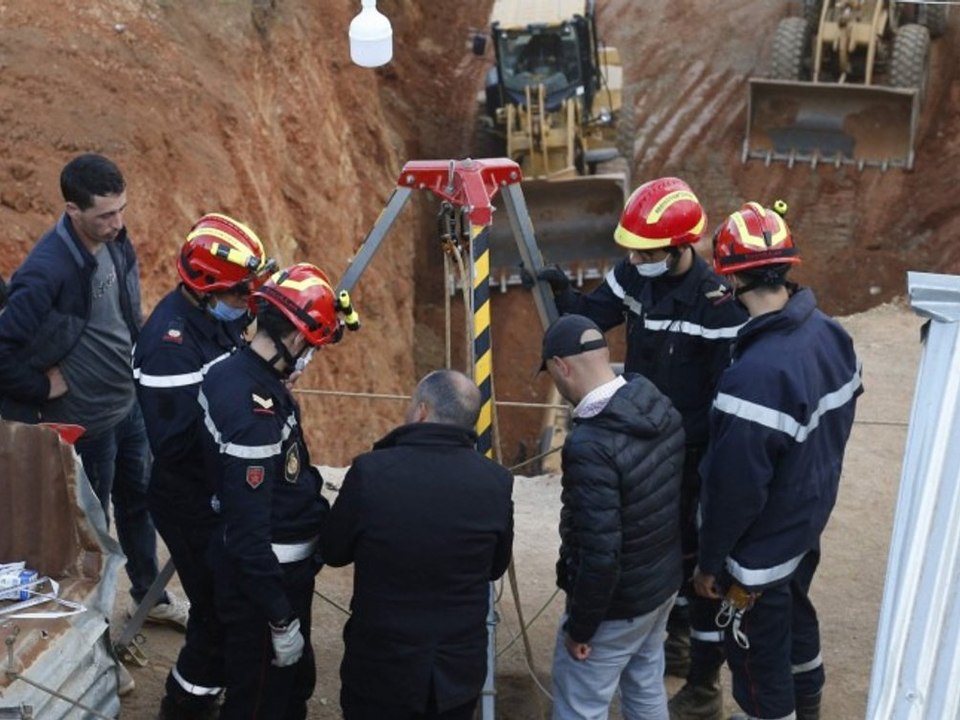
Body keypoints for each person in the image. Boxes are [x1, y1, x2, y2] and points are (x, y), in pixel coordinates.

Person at [536, 177, 747, 719]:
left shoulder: (717, 305)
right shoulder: (635, 273)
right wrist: (564, 297)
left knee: (691, 564)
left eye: (647, 250)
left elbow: (726, 398)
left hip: (690, 454)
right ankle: (665, 640)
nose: (634, 258)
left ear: (681, 248)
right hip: (641, 435)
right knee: (652, 558)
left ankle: (702, 682)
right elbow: (598, 312)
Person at [0, 153, 188, 633]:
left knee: (140, 504)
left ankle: (149, 597)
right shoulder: (47, 270)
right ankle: (95, 632)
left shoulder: (116, 241)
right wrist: (39, 385)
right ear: (72, 209)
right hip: (86, 424)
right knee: (94, 533)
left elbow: (127, 314)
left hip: (129, 406)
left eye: (121, 209)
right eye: (105, 214)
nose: (117, 222)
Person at [693, 202, 862, 720]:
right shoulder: (830, 335)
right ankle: (809, 704)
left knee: (755, 664)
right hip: (803, 525)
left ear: (731, 279)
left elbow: (734, 489)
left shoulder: (758, 375)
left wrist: (710, 561)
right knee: (797, 623)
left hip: (757, 552)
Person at [134, 213, 276, 719]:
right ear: (205, 288)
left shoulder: (216, 316)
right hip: (189, 499)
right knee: (216, 611)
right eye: (240, 293)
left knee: (228, 604)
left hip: (212, 491)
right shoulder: (168, 347)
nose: (246, 303)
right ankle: (185, 703)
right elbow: (177, 443)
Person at [321, 369, 515, 720]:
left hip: (381, 668)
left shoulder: (371, 472)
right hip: (456, 674)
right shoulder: (497, 482)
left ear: (422, 411)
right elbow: (495, 566)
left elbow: (333, 552)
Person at [200, 262, 346, 720]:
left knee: (290, 686)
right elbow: (248, 536)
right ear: (298, 340)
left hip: (270, 577)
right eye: (313, 348)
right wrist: (280, 618)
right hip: (265, 585)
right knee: (261, 699)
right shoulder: (255, 415)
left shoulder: (234, 372)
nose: (310, 359)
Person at [541, 314, 685, 720]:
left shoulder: (591, 446)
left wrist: (582, 628)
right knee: (644, 684)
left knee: (580, 704)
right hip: (660, 586)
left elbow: (600, 552)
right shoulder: (654, 402)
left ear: (561, 367)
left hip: (617, 605)